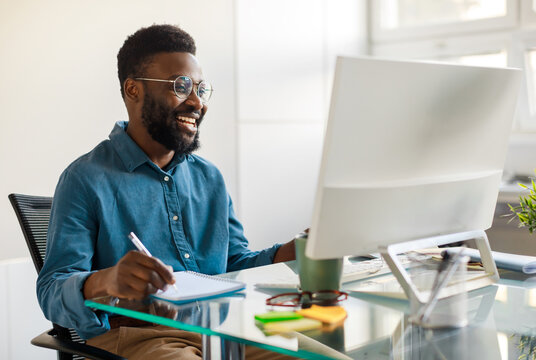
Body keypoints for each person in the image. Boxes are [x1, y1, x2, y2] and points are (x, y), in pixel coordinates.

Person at [37, 24, 296, 359]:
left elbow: (235, 264)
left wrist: (293, 253)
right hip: (139, 338)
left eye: (201, 90)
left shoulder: (209, 178)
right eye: (181, 86)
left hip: (222, 330)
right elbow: (51, 290)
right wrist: (107, 280)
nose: (196, 102)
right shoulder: (84, 178)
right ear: (133, 90)